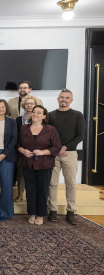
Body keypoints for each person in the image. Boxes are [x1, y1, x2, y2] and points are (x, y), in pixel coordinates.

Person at [17, 105, 61, 225]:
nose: (35, 114)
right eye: (34, 112)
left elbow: (56, 147)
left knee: (42, 189)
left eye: (39, 112)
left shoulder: (51, 129)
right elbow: (18, 144)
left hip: (45, 164)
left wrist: (43, 152)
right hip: (28, 163)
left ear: (44, 116)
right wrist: (23, 151)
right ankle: (32, 213)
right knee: (30, 189)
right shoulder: (23, 128)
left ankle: (41, 214)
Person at [48, 89, 86, 225]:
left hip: (69, 153)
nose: (64, 99)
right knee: (52, 183)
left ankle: (71, 212)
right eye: (62, 97)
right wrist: (56, 148)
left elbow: (80, 135)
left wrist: (64, 147)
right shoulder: (50, 115)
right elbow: (48, 134)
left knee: (70, 184)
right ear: (58, 99)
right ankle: (52, 210)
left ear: (71, 100)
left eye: (67, 97)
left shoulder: (77, 115)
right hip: (53, 154)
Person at [14, 95, 40, 202]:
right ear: (23, 106)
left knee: (35, 175)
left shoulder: (40, 118)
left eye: (32, 103)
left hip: (37, 152)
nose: (29, 105)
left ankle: (33, 197)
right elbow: (16, 136)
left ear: (35, 105)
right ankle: (20, 195)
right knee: (21, 175)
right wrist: (22, 149)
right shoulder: (18, 120)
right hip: (22, 151)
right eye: (27, 103)